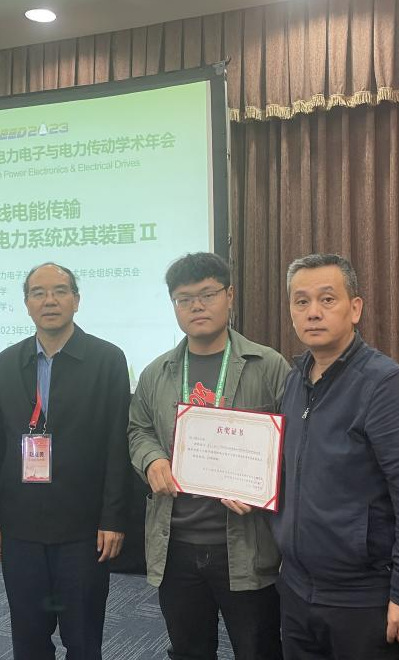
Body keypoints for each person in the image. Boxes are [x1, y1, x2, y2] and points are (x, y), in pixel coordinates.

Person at [274, 253, 399, 660]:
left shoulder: (385, 386)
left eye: (327, 299)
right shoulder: (295, 381)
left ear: (355, 308)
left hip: (363, 599)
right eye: (301, 301)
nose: (313, 312)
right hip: (296, 590)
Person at [128, 252, 291, 660]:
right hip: (175, 543)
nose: (196, 306)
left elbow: (294, 444)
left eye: (207, 294)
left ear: (230, 295)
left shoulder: (267, 365)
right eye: (184, 299)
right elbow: (139, 429)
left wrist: (262, 484)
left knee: (258, 650)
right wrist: (151, 459)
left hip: (245, 544)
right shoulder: (157, 372)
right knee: (189, 650)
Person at [0, 262, 131, 660]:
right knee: (28, 637)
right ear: (27, 303)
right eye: (38, 293)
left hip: (83, 528)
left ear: (76, 300)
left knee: (83, 639)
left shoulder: (107, 360)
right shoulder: (6, 363)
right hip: (21, 527)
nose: (49, 300)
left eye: (60, 291)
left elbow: (117, 445)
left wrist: (113, 518)